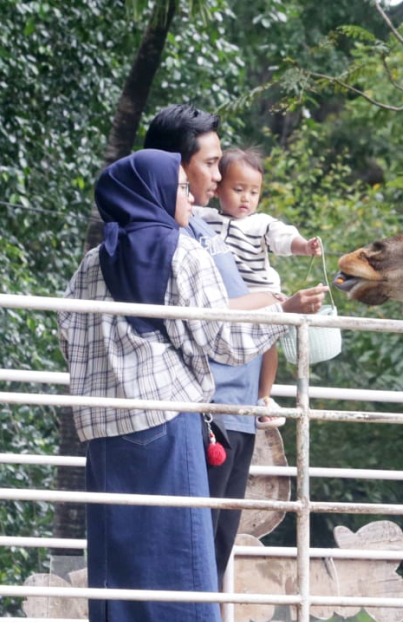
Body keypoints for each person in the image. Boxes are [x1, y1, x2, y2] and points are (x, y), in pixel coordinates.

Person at [58, 150, 282, 622]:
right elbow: (219, 339)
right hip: (166, 412)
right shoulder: (181, 250)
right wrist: (280, 315)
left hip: (106, 420)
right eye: (181, 187)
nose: (189, 195)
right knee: (183, 542)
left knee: (121, 544)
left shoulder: (96, 259)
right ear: (155, 193)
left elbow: (69, 328)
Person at [143, 105, 329, 585]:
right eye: (211, 165)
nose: (218, 176)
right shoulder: (168, 232)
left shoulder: (205, 227)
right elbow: (205, 318)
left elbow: (278, 241)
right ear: (174, 166)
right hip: (204, 415)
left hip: (238, 412)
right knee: (190, 550)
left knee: (216, 547)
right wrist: (277, 306)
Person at [198, 147, 323, 429]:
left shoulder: (260, 223)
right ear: (217, 189)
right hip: (228, 297)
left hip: (261, 292)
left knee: (268, 342)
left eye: (254, 192)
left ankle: (263, 397)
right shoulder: (205, 219)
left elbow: (283, 237)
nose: (246, 198)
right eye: (238, 189)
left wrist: (304, 246)